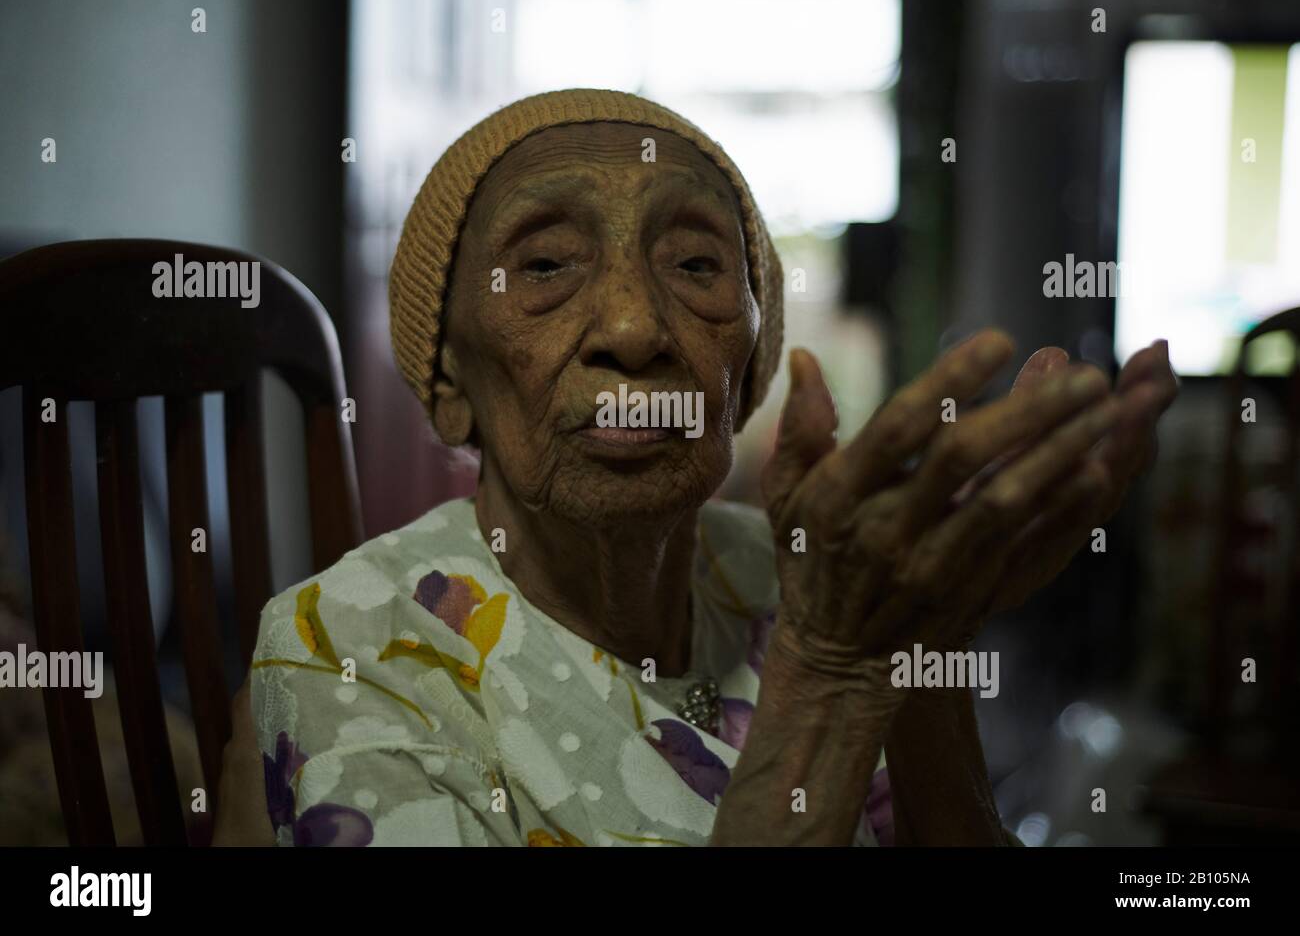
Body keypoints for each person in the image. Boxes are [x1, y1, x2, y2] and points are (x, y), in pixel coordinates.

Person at [217, 88, 1177, 847]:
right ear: (450, 378)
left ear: (748, 364)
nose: (635, 329)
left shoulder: (806, 574)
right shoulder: (347, 647)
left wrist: (921, 636)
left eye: (695, 266)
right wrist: (833, 666)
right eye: (546, 266)